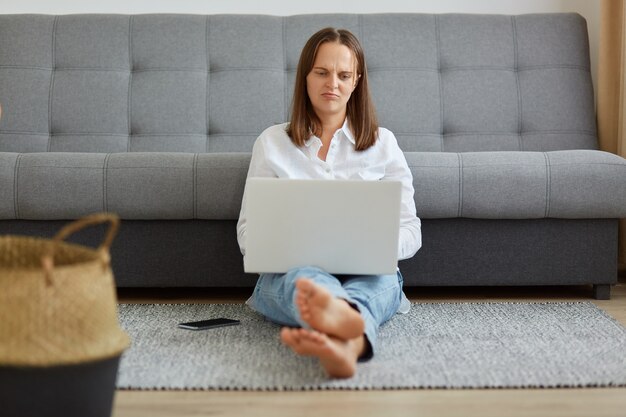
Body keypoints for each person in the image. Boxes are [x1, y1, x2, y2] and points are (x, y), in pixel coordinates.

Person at [236, 27, 421, 378]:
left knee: (379, 282)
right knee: (306, 281)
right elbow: (248, 231)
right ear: (305, 77)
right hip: (294, 273)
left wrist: (377, 247)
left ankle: (341, 333)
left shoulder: (384, 143)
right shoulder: (272, 142)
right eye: (321, 72)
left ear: (357, 82)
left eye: (343, 74)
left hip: (368, 272)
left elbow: (412, 228)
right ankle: (345, 330)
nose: (332, 83)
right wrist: (281, 249)